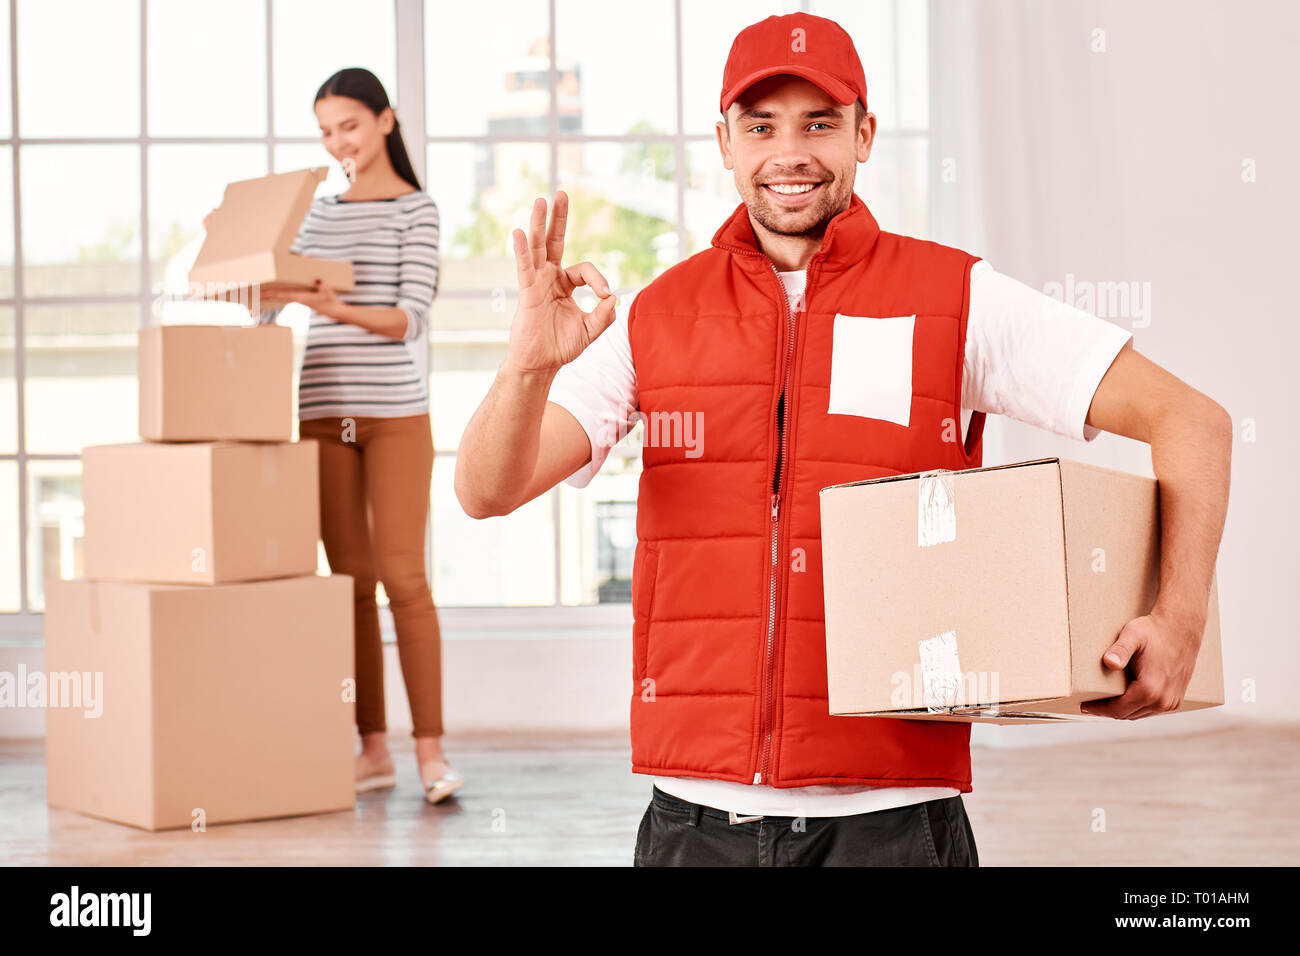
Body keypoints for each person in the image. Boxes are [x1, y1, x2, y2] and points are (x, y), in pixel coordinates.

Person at [455, 14, 1230, 864]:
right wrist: (527, 368)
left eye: (819, 123)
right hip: (693, 821)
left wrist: (1180, 616)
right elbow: (487, 492)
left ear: (864, 133)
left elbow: (1191, 420)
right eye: (761, 126)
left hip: (894, 821)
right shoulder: (654, 317)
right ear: (724, 142)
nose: (790, 153)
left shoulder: (957, 298)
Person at [243, 67, 461, 804]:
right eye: (328, 132)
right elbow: (274, 312)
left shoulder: (416, 210)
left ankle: (431, 753)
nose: (340, 143)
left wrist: (332, 302)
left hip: (395, 413)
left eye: (351, 126)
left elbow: (409, 319)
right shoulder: (317, 215)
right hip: (321, 411)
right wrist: (263, 294)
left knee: (404, 578)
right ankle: (373, 749)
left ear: (385, 121)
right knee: (350, 586)